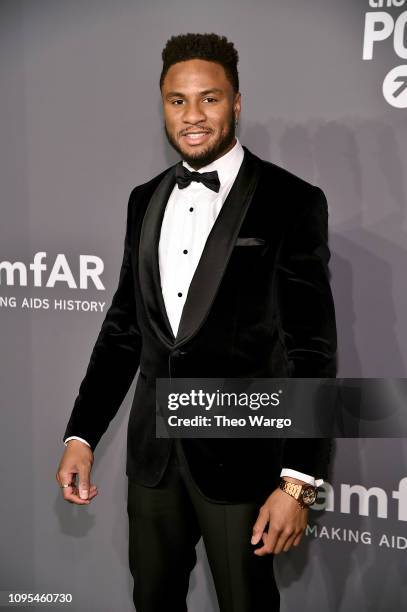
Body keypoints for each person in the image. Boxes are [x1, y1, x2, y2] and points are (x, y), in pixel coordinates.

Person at [56, 33, 337, 612]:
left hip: (243, 458)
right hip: (153, 462)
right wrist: (81, 434)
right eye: (177, 100)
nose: (192, 116)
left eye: (209, 99)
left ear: (237, 102)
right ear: (162, 104)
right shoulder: (144, 199)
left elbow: (311, 350)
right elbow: (124, 330)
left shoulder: (292, 201)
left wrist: (298, 482)